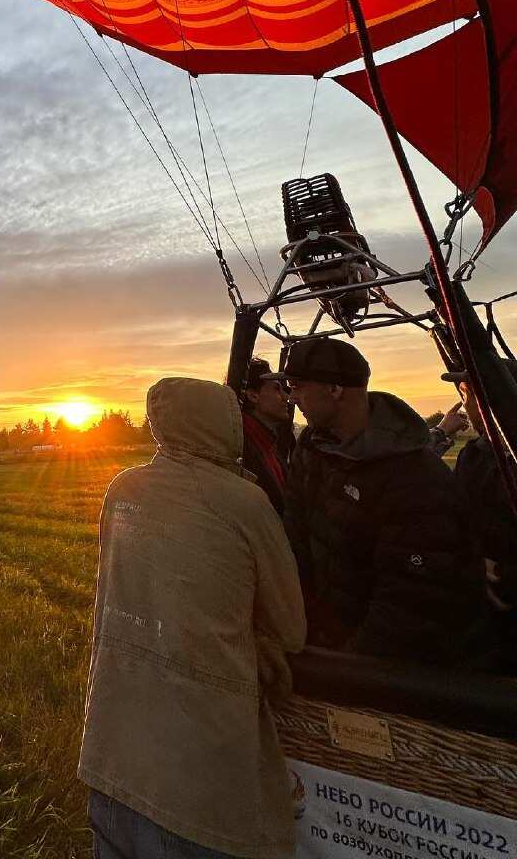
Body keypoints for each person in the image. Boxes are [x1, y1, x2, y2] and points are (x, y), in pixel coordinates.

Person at [79, 377, 305, 859]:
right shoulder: (244, 502)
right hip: (199, 779)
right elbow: (291, 628)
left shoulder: (123, 489)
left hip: (109, 753)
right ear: (223, 425)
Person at [281, 337, 485, 664]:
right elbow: (294, 542)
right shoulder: (312, 448)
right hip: (324, 639)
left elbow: (410, 601)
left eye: (297, 386)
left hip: (385, 664)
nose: (291, 397)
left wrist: (347, 668)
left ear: (335, 389)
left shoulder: (414, 475)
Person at [442, 360, 517, 671]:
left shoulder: (505, 457)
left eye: (466, 393)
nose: (464, 402)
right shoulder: (473, 454)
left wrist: (507, 578)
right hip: (484, 615)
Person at [240, 358, 296, 513]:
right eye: (277, 389)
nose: (287, 398)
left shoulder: (266, 442)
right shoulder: (241, 447)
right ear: (253, 396)